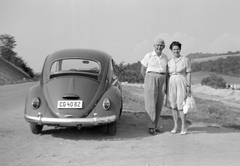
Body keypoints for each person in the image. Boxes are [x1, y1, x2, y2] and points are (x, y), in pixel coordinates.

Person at [140, 38, 168, 135]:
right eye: (157, 45)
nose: (159, 47)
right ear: (154, 46)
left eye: (161, 45)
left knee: (159, 103)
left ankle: (155, 126)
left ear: (164, 47)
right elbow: (142, 70)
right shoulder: (149, 56)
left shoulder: (165, 57)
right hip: (151, 78)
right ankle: (150, 127)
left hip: (162, 78)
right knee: (150, 104)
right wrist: (147, 81)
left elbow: (167, 71)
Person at [167, 41, 191, 135]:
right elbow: (167, 74)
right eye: (174, 49)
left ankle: (183, 126)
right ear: (171, 50)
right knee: (173, 105)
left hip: (181, 81)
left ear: (180, 50)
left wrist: (189, 86)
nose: (176, 51)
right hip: (171, 81)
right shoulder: (169, 61)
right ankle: (175, 125)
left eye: (177, 49)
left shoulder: (185, 60)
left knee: (181, 105)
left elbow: (188, 73)